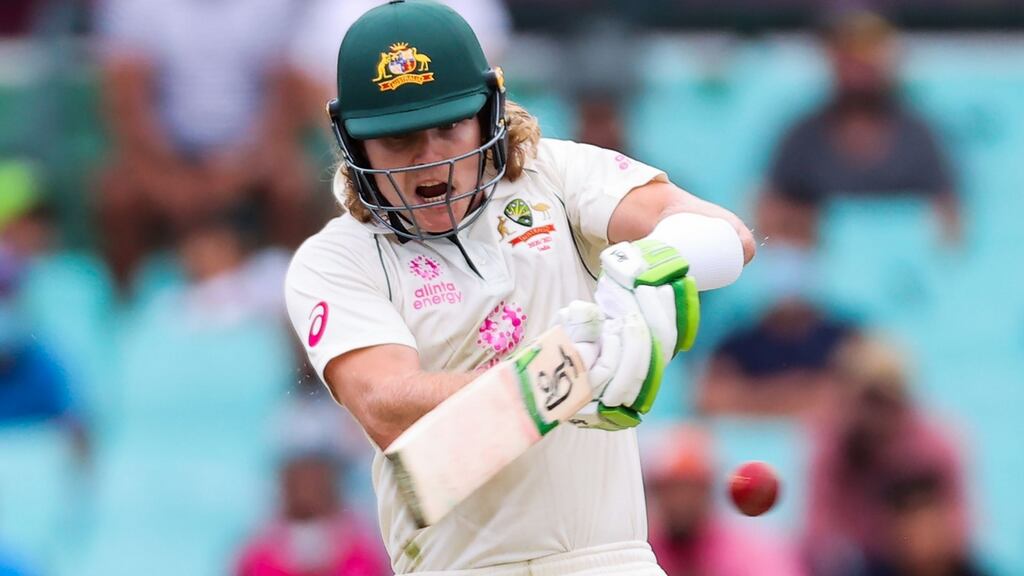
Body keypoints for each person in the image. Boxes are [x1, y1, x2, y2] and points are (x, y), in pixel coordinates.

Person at [284, 1, 755, 574]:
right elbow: (386, 406)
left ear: (490, 112)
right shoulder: (334, 258)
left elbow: (729, 236)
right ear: (354, 144)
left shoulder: (556, 177)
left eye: (448, 126)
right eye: (399, 138)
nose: (430, 160)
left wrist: (644, 270)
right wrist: (563, 372)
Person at [94, 0, 317, 292]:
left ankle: (298, 307)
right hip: (167, 157)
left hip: (249, 158)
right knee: (119, 197)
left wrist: (239, 171)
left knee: (292, 188)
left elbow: (284, 104)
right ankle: (125, 309)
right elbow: (126, 103)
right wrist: (168, 176)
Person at [757, 9, 959, 248]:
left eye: (864, 46)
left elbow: (951, 223)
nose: (855, 60)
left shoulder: (920, 137)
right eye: (844, 47)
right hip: (822, 280)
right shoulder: (801, 137)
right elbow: (767, 218)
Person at [802, 336, 972, 576]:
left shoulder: (935, 445)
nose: (876, 414)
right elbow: (817, 533)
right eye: (868, 400)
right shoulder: (832, 444)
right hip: (858, 560)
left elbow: (959, 528)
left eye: (885, 400)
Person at [646, 426, 805, 576]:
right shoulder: (639, 552)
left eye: (693, 487)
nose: (681, 499)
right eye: (671, 487)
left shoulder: (752, 551)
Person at [234, 443, 388, 576]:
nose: (306, 491)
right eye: (298, 482)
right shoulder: (258, 556)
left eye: (314, 483)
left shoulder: (362, 552)